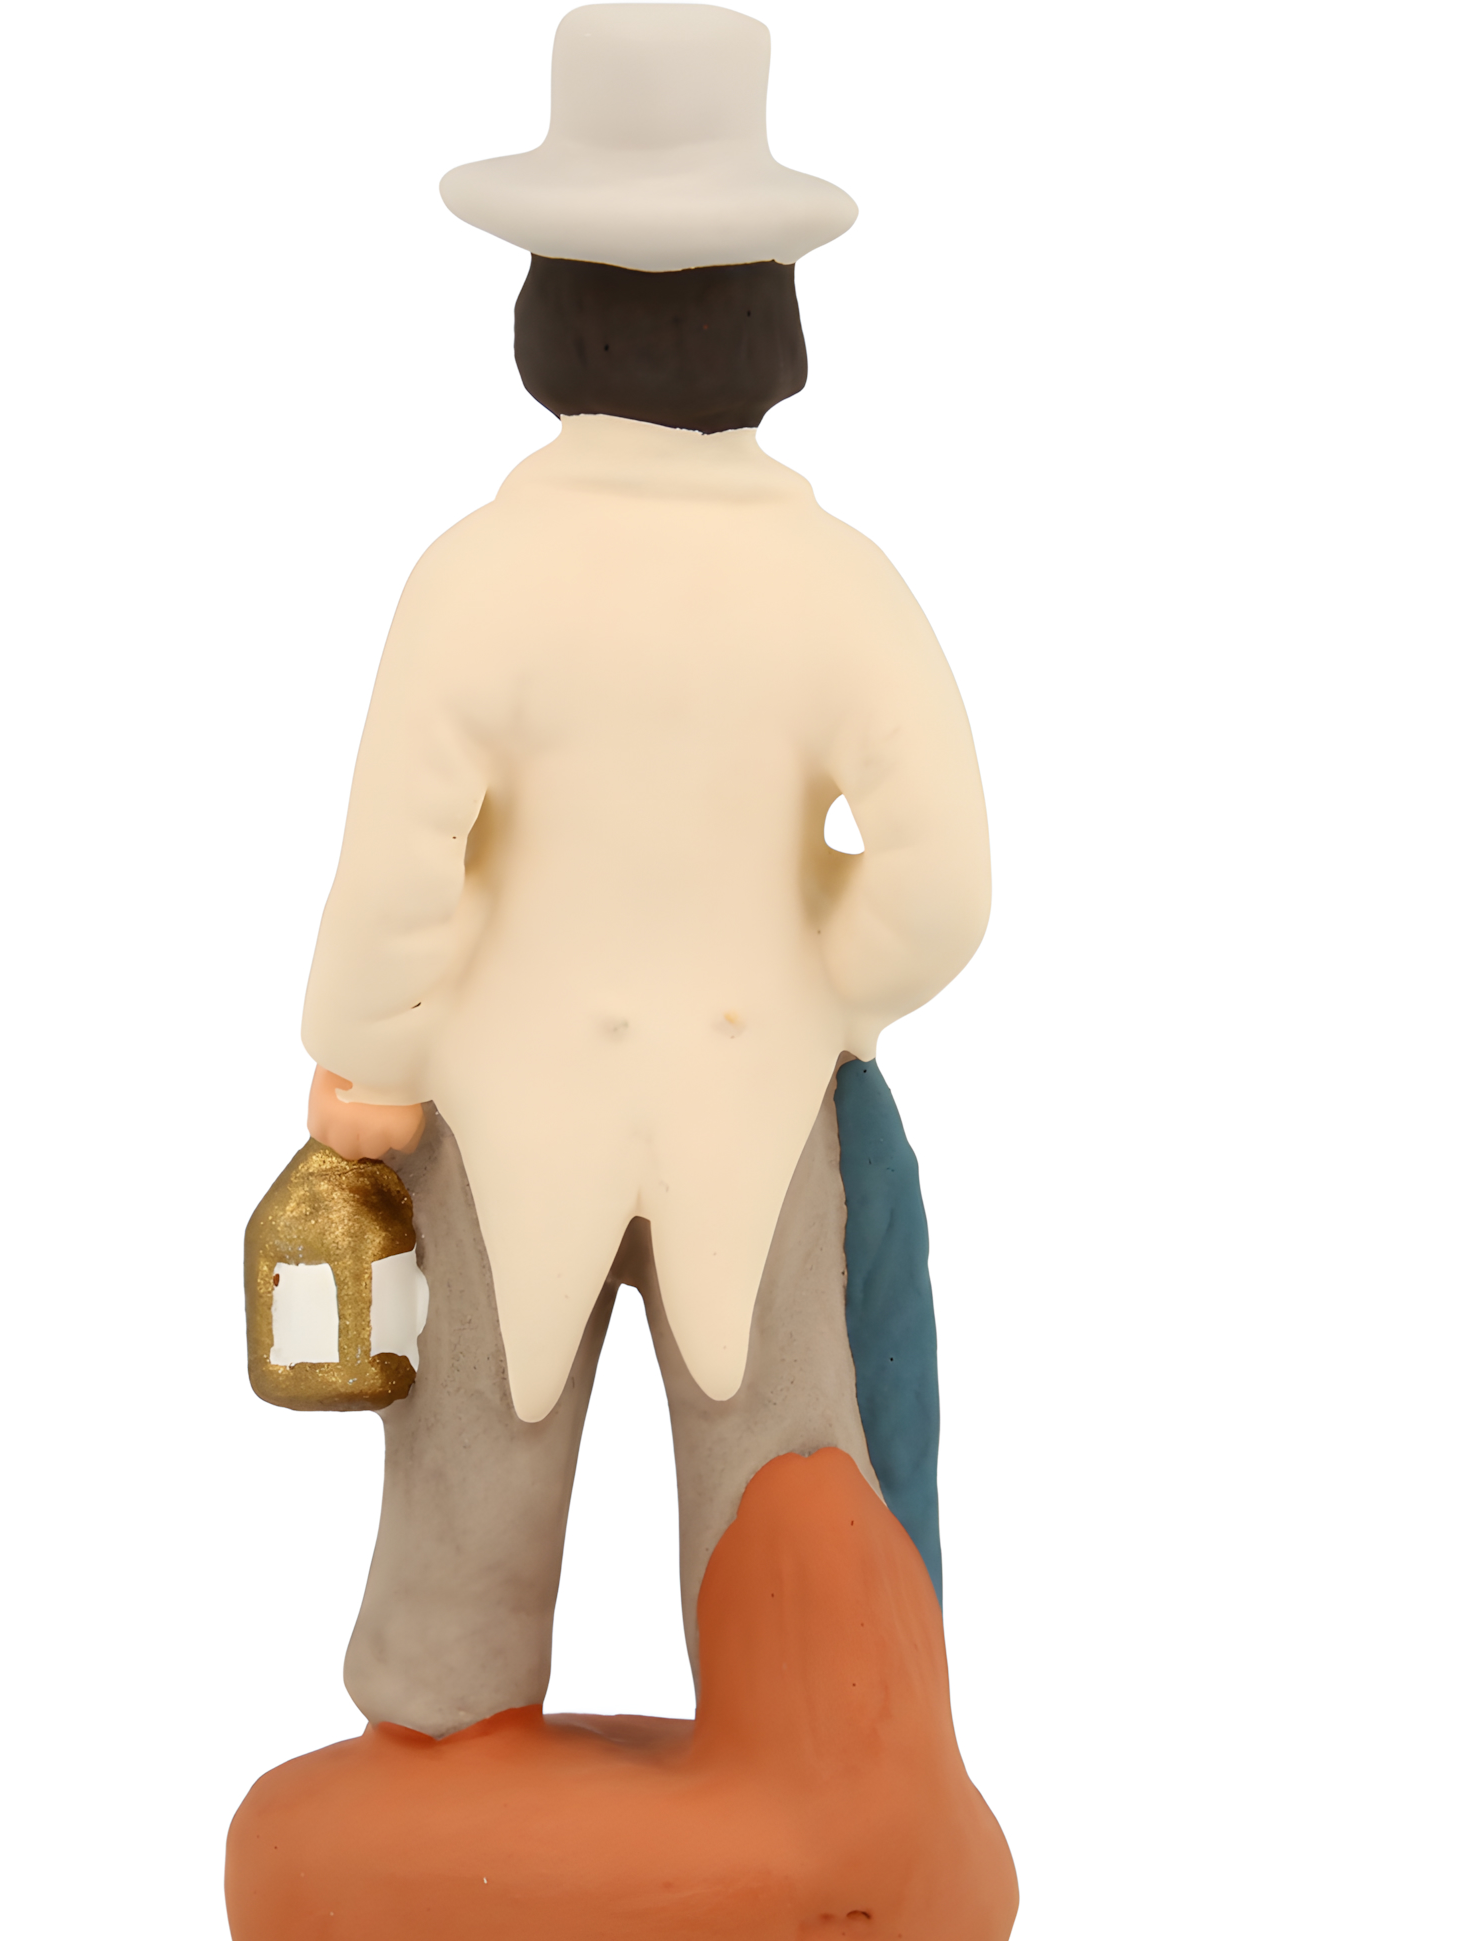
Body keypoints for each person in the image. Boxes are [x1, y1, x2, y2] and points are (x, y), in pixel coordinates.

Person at [296, 0, 991, 1740]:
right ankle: (815, 1741)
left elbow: (394, 879)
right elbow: (942, 883)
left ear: (543, 317)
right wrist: (823, 980)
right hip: (760, 1107)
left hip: (499, 1104)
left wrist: (367, 1055)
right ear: (776, 325)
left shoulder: (473, 578)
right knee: (781, 1454)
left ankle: (437, 1730)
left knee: (472, 1457)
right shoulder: (842, 586)